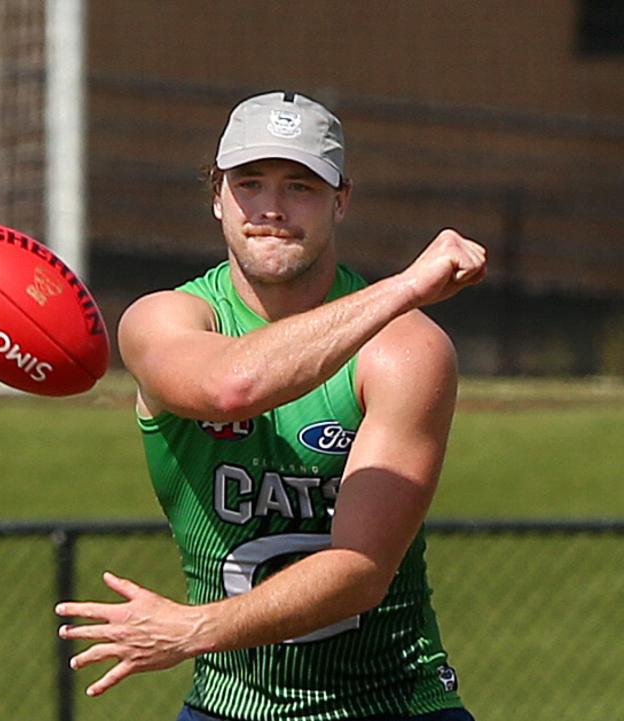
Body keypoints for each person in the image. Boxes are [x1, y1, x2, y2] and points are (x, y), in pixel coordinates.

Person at [55, 91, 485, 721]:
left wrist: (190, 630)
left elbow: (360, 572)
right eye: (250, 183)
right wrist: (404, 286)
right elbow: (233, 386)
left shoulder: (406, 349)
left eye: (301, 186)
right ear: (216, 196)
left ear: (341, 200)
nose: (272, 209)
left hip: (394, 704)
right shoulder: (164, 318)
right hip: (228, 707)